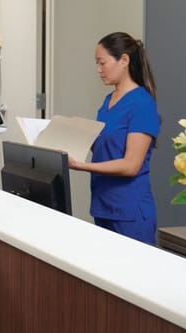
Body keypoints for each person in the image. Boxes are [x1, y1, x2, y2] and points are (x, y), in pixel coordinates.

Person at [68, 32, 161, 245]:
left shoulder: (141, 104)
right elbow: (105, 148)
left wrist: (81, 166)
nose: (98, 70)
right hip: (104, 205)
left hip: (129, 211)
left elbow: (131, 165)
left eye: (103, 63)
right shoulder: (108, 100)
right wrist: (72, 137)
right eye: (96, 63)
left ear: (124, 60)